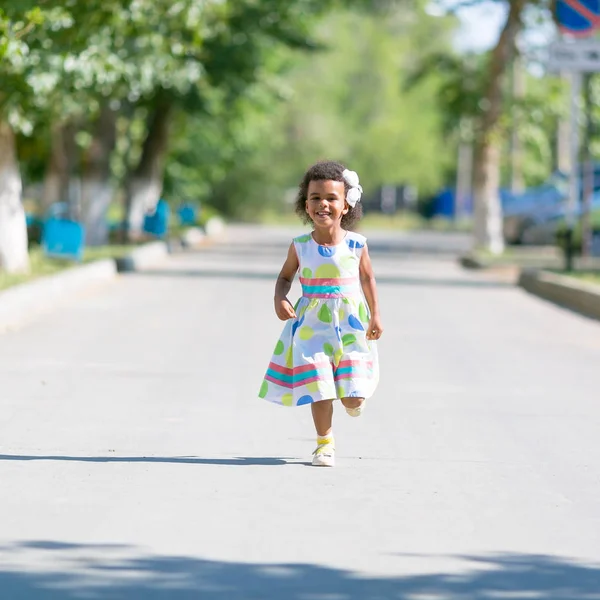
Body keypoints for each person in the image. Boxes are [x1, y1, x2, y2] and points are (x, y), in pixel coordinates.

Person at [258, 160, 383, 467]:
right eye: (315, 198)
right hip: (311, 328)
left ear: (346, 206)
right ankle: (324, 444)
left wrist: (376, 315)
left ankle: (355, 398)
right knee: (319, 387)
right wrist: (279, 298)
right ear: (306, 204)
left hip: (351, 326)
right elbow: (285, 277)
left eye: (331, 198)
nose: (323, 204)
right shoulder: (300, 246)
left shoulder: (356, 245)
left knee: (352, 398)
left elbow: (367, 278)